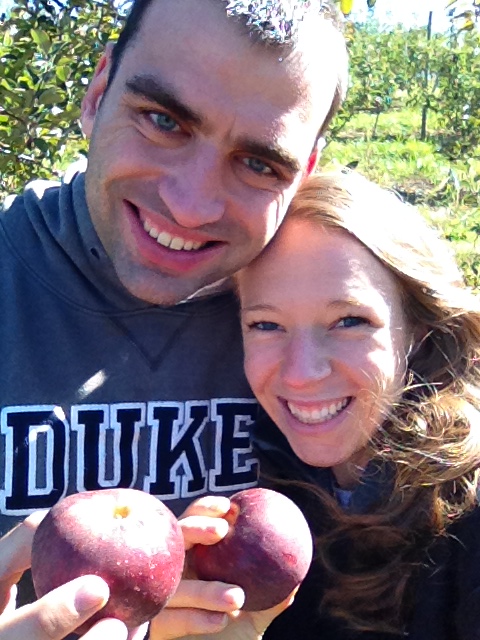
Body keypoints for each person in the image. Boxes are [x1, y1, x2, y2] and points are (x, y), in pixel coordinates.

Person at [0, 0, 349, 637]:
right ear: (97, 93)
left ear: (303, 174)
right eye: (163, 121)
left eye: (258, 164)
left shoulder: (321, 314)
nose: (190, 207)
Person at [233, 170, 480, 639]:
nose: (301, 372)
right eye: (266, 325)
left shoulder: (468, 516)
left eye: (348, 321)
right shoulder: (235, 479)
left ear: (418, 329)